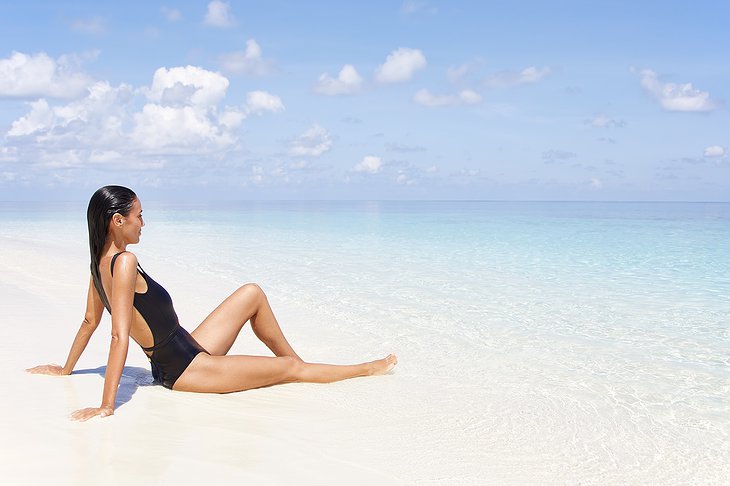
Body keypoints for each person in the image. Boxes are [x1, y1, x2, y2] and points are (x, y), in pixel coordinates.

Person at [27, 185, 397, 421]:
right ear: (118, 220)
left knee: (252, 292)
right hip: (187, 370)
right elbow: (116, 336)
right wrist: (107, 405)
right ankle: (362, 369)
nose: (144, 223)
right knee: (284, 367)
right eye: (139, 216)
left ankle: (301, 366)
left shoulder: (98, 267)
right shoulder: (124, 263)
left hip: (191, 348)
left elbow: (88, 322)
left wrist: (65, 370)